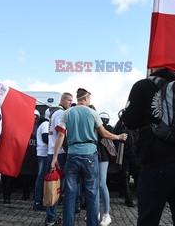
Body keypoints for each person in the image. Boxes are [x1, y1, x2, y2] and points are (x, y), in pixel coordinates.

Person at [120, 68, 175, 226]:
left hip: (156, 163)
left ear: (153, 68)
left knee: (148, 219)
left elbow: (130, 121)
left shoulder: (142, 86)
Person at [50, 88, 127, 226]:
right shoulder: (92, 113)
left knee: (70, 194)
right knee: (92, 193)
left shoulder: (67, 112)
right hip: (90, 156)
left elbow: (61, 135)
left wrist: (54, 157)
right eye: (89, 99)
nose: (90, 101)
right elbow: (104, 134)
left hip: (72, 155)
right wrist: (119, 137)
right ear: (85, 99)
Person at [45, 92, 73, 226]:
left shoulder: (53, 113)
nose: (70, 103)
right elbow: (62, 134)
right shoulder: (61, 113)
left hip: (53, 152)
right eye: (69, 100)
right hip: (59, 154)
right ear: (62, 100)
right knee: (56, 187)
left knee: (54, 186)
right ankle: (51, 219)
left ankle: (51, 217)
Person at [113, 114, 140, 207]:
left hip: (134, 153)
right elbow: (114, 135)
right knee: (125, 175)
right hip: (123, 153)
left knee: (137, 175)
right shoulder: (121, 123)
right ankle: (128, 197)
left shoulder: (135, 122)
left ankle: (139, 197)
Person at [97, 112, 115, 226]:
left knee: (100, 184)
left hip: (101, 157)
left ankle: (105, 213)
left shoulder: (101, 128)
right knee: (100, 184)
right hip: (100, 157)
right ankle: (101, 212)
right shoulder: (108, 127)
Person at [34, 109, 49, 210]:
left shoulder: (44, 123)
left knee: (42, 177)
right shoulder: (46, 124)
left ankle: (39, 200)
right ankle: (38, 202)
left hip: (43, 153)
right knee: (41, 177)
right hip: (44, 154)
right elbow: (45, 138)